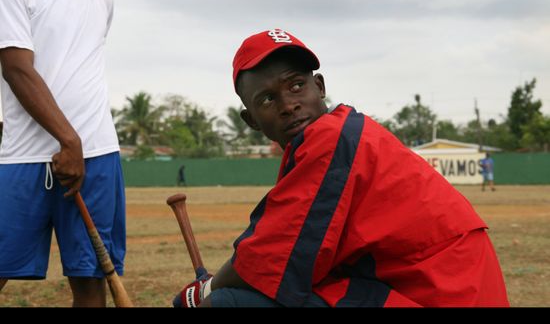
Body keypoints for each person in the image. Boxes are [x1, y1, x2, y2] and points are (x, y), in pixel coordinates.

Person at [173, 28, 510, 308]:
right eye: (267, 99)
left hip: (444, 293)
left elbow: (268, 260)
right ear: (251, 121)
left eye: (296, 85)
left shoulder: (331, 137)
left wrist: (202, 292)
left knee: (230, 303)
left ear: (319, 87)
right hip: (436, 287)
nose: (289, 104)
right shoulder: (339, 133)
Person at [0, 0, 126, 307]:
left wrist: (80, 144)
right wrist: (69, 140)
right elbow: (16, 68)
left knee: (90, 282)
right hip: (25, 157)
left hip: (97, 154)